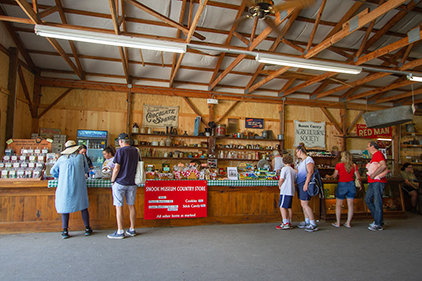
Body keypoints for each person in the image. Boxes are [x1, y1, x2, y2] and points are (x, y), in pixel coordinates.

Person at [50, 140, 92, 239]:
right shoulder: (81, 157)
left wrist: (61, 176)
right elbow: (86, 170)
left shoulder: (61, 159)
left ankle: (65, 230)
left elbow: (53, 171)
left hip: (65, 186)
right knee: (83, 206)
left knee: (65, 207)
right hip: (79, 186)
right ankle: (87, 228)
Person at [107, 133, 140, 239]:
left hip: (120, 182)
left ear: (120, 141)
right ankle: (132, 229)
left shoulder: (120, 151)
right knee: (131, 206)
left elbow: (116, 168)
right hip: (132, 182)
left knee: (119, 206)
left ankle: (120, 231)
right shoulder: (136, 150)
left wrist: (112, 180)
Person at [327, 151, 362, 228]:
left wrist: (328, 176)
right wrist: (360, 185)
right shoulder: (354, 166)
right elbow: (358, 177)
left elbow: (334, 175)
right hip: (352, 185)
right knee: (350, 205)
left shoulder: (339, 165)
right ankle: (348, 223)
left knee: (339, 204)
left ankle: (338, 222)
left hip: (342, 185)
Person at [294, 144, 318, 232]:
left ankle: (313, 223)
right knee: (303, 204)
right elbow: (299, 171)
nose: (296, 154)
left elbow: (310, 172)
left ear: (300, 151)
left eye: (296, 152)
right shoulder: (301, 161)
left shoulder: (308, 159)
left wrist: (306, 184)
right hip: (300, 183)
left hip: (305, 183)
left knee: (305, 204)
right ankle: (307, 221)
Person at [365, 141, 387, 231]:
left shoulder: (378, 154)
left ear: (373, 147)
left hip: (377, 181)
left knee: (377, 201)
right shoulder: (374, 156)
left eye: (368, 146)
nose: (367, 148)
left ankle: (378, 223)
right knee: (367, 199)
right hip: (373, 182)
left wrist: (374, 174)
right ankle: (379, 219)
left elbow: (383, 166)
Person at [276, 155, 296, 230]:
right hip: (291, 190)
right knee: (289, 207)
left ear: (283, 161)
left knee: (282, 206)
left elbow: (281, 179)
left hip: (285, 190)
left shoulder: (284, 169)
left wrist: (279, 185)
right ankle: (289, 221)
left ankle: (285, 222)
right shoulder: (292, 170)